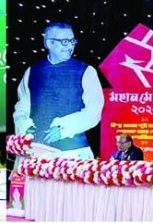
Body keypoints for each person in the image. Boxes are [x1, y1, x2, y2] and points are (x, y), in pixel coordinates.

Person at [13, 22, 104, 159]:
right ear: (49, 43)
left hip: (73, 153)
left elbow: (94, 111)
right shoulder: (32, 71)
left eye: (72, 41)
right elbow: (22, 107)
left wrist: (63, 129)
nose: (70, 46)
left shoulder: (86, 71)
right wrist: (25, 127)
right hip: (37, 152)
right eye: (65, 41)